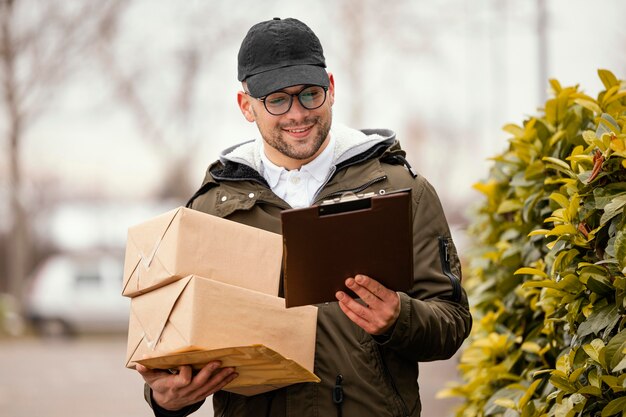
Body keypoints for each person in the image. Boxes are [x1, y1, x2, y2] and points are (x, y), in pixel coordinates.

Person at [136, 17, 472, 417]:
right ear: (246, 106)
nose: (297, 113)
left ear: (331, 89)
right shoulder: (209, 211)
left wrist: (398, 318)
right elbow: (177, 347)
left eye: (310, 94)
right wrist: (165, 401)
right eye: (277, 100)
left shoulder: (404, 191)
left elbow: (451, 322)